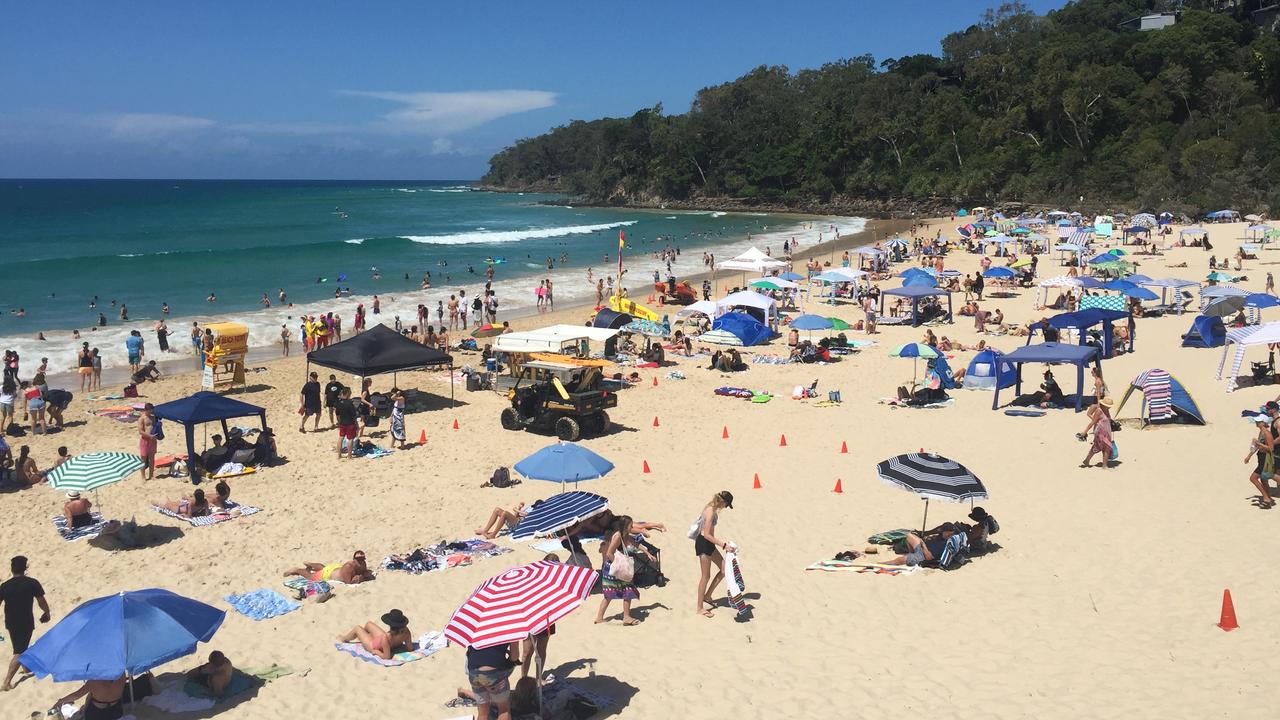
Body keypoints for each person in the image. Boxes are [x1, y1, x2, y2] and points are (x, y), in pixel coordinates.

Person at [0, 556, 50, 691]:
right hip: (26, 622)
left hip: (10, 623)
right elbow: (42, 601)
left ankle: (26, 668)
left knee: (20, 645)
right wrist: (46, 613)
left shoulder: (4, 586)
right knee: (19, 651)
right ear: (25, 568)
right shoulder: (32, 583)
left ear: (12, 569)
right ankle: (6, 682)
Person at [595, 515, 652, 626]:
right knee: (628, 590)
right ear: (626, 526)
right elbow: (609, 553)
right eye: (631, 525)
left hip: (613, 568)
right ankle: (626, 617)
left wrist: (647, 553)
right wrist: (619, 564)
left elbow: (635, 543)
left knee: (610, 594)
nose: (632, 527)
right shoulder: (617, 536)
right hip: (615, 568)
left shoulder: (624, 535)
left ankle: (599, 618)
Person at [694, 491, 734, 617]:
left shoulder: (712, 509)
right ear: (723, 501)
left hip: (709, 543)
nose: (726, 507)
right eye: (727, 504)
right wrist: (723, 545)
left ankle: (708, 595)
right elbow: (706, 534)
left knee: (724, 569)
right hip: (703, 544)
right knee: (705, 576)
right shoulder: (710, 511)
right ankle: (700, 608)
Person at [465, 640, 520, 720]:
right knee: (503, 710)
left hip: (474, 672)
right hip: (493, 673)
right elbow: (514, 657)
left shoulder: (476, 629)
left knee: (482, 713)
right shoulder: (509, 629)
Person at [336, 609, 412, 661]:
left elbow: (387, 657)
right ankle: (364, 636)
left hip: (373, 645)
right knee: (369, 624)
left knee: (357, 628)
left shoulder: (386, 637)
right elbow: (410, 649)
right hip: (383, 642)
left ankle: (344, 639)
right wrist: (399, 646)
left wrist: (377, 652)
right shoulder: (406, 632)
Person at [885, 526, 959, 566]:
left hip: (922, 556)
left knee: (899, 560)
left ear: (948, 533)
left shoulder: (945, 545)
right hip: (920, 549)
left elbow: (929, 557)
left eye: (943, 531)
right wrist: (926, 539)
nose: (940, 531)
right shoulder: (942, 538)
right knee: (908, 535)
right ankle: (911, 553)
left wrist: (923, 545)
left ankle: (881, 564)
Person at [285, 551, 374, 584]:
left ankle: (311, 564)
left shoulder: (363, 564)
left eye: (363, 559)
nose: (361, 561)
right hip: (328, 574)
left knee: (324, 567)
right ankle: (297, 569)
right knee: (311, 577)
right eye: (359, 559)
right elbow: (348, 582)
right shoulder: (348, 567)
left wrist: (364, 575)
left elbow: (364, 572)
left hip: (336, 568)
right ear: (354, 560)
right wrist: (362, 577)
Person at [1247, 413, 1275, 508]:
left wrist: (1259, 443)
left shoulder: (1267, 433)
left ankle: (1266, 498)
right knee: (1263, 480)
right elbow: (1256, 446)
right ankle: (1269, 499)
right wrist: (1249, 456)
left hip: (1265, 459)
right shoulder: (1261, 432)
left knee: (1253, 478)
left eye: (1258, 421)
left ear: (1263, 423)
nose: (1256, 422)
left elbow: (1271, 449)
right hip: (1261, 457)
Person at [1081, 397, 1115, 470]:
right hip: (1100, 432)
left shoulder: (1106, 410)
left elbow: (1107, 419)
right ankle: (1087, 461)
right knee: (1098, 447)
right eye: (1108, 406)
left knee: (1106, 448)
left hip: (1107, 432)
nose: (1109, 408)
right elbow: (1093, 422)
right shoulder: (1099, 411)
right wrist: (1085, 432)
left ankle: (1104, 465)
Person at [335, 387, 358, 459]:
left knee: (341, 437)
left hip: (342, 422)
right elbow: (354, 415)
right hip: (350, 423)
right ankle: (349, 456)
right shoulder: (350, 403)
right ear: (347, 393)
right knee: (350, 438)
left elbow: (337, 414)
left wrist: (339, 422)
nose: (351, 393)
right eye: (350, 392)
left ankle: (339, 455)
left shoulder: (339, 402)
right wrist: (356, 423)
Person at [138, 403, 157, 480]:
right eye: (149, 411)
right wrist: (149, 436)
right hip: (145, 440)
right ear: (146, 410)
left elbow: (155, 426)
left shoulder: (153, 417)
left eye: (151, 411)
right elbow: (140, 431)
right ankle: (143, 476)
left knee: (152, 458)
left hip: (153, 440)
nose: (151, 412)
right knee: (143, 459)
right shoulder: (142, 418)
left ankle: (151, 475)